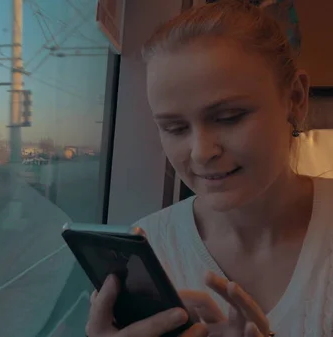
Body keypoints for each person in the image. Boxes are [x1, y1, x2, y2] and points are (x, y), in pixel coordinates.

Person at [86, 1, 333, 336]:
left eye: (229, 117)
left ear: (295, 98)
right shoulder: (153, 247)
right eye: (174, 128)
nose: (202, 153)